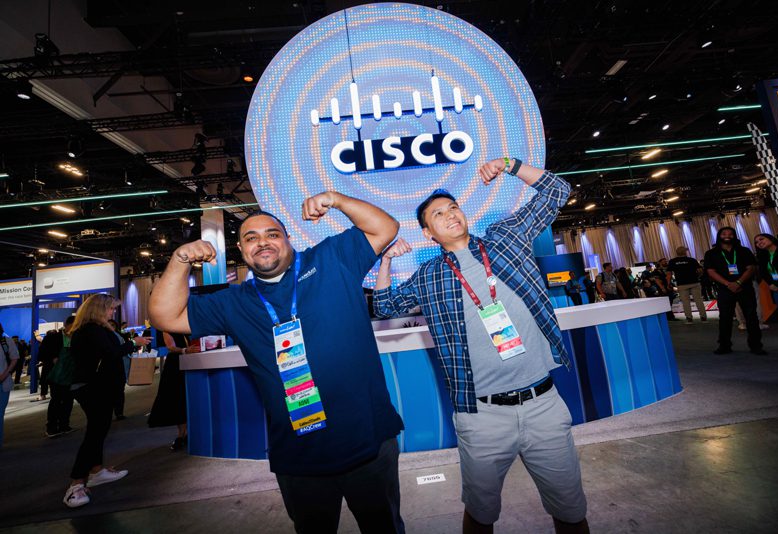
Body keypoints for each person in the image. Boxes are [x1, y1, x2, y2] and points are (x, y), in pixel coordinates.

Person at [148, 191, 405, 534]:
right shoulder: (233, 302)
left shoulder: (331, 259)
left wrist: (336, 199)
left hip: (368, 442)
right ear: (242, 250)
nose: (262, 242)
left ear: (288, 240)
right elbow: (164, 316)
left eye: (272, 234)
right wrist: (180, 260)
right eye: (251, 238)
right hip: (299, 456)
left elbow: (385, 228)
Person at [375, 158, 589, 534]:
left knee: (571, 511)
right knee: (480, 513)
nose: (449, 214)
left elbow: (558, 191)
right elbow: (384, 305)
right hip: (481, 415)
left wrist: (510, 165)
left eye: (453, 207)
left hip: (543, 405)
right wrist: (386, 261)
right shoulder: (429, 276)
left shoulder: (506, 239)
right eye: (438, 214)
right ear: (428, 233)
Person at [63, 294, 151, 508]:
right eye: (111, 308)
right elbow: (110, 353)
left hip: (98, 386)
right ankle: (76, 484)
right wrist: (134, 343)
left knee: (100, 429)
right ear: (99, 309)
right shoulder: (91, 330)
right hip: (92, 387)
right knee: (95, 433)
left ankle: (96, 471)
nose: (113, 312)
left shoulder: (94, 329)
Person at [703, 227, 765, 355]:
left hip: (745, 288)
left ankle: (756, 346)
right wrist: (728, 284)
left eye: (731, 233)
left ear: (735, 236)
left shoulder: (744, 251)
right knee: (725, 318)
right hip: (724, 290)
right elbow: (710, 271)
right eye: (724, 233)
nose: (727, 235)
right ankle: (724, 345)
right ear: (719, 236)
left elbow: (751, 268)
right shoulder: (711, 253)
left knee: (751, 317)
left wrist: (738, 282)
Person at [148, 331, 200, 450]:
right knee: (178, 399)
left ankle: (187, 433)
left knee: (189, 398)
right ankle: (181, 435)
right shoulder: (167, 329)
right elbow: (170, 347)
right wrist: (185, 350)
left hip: (191, 363)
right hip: (175, 366)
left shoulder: (186, 329)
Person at [39, 316, 77, 437]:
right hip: (56, 374)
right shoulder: (53, 337)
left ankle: (64, 425)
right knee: (56, 400)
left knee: (68, 400)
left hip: (70, 375)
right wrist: (53, 358)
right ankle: (51, 427)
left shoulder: (77, 338)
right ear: (67, 325)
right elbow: (42, 353)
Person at [667, 246, 708, 323]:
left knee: (685, 302)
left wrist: (668, 283)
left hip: (682, 284)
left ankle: (689, 319)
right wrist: (698, 277)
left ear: (677, 252)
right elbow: (700, 270)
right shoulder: (692, 260)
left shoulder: (672, 261)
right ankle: (703, 317)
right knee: (698, 300)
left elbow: (669, 274)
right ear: (685, 252)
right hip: (694, 282)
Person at [1, 322, 20, 448]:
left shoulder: (6, 341)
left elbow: (14, 358)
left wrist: (5, 374)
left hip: (3, 383)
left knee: (0, 413)